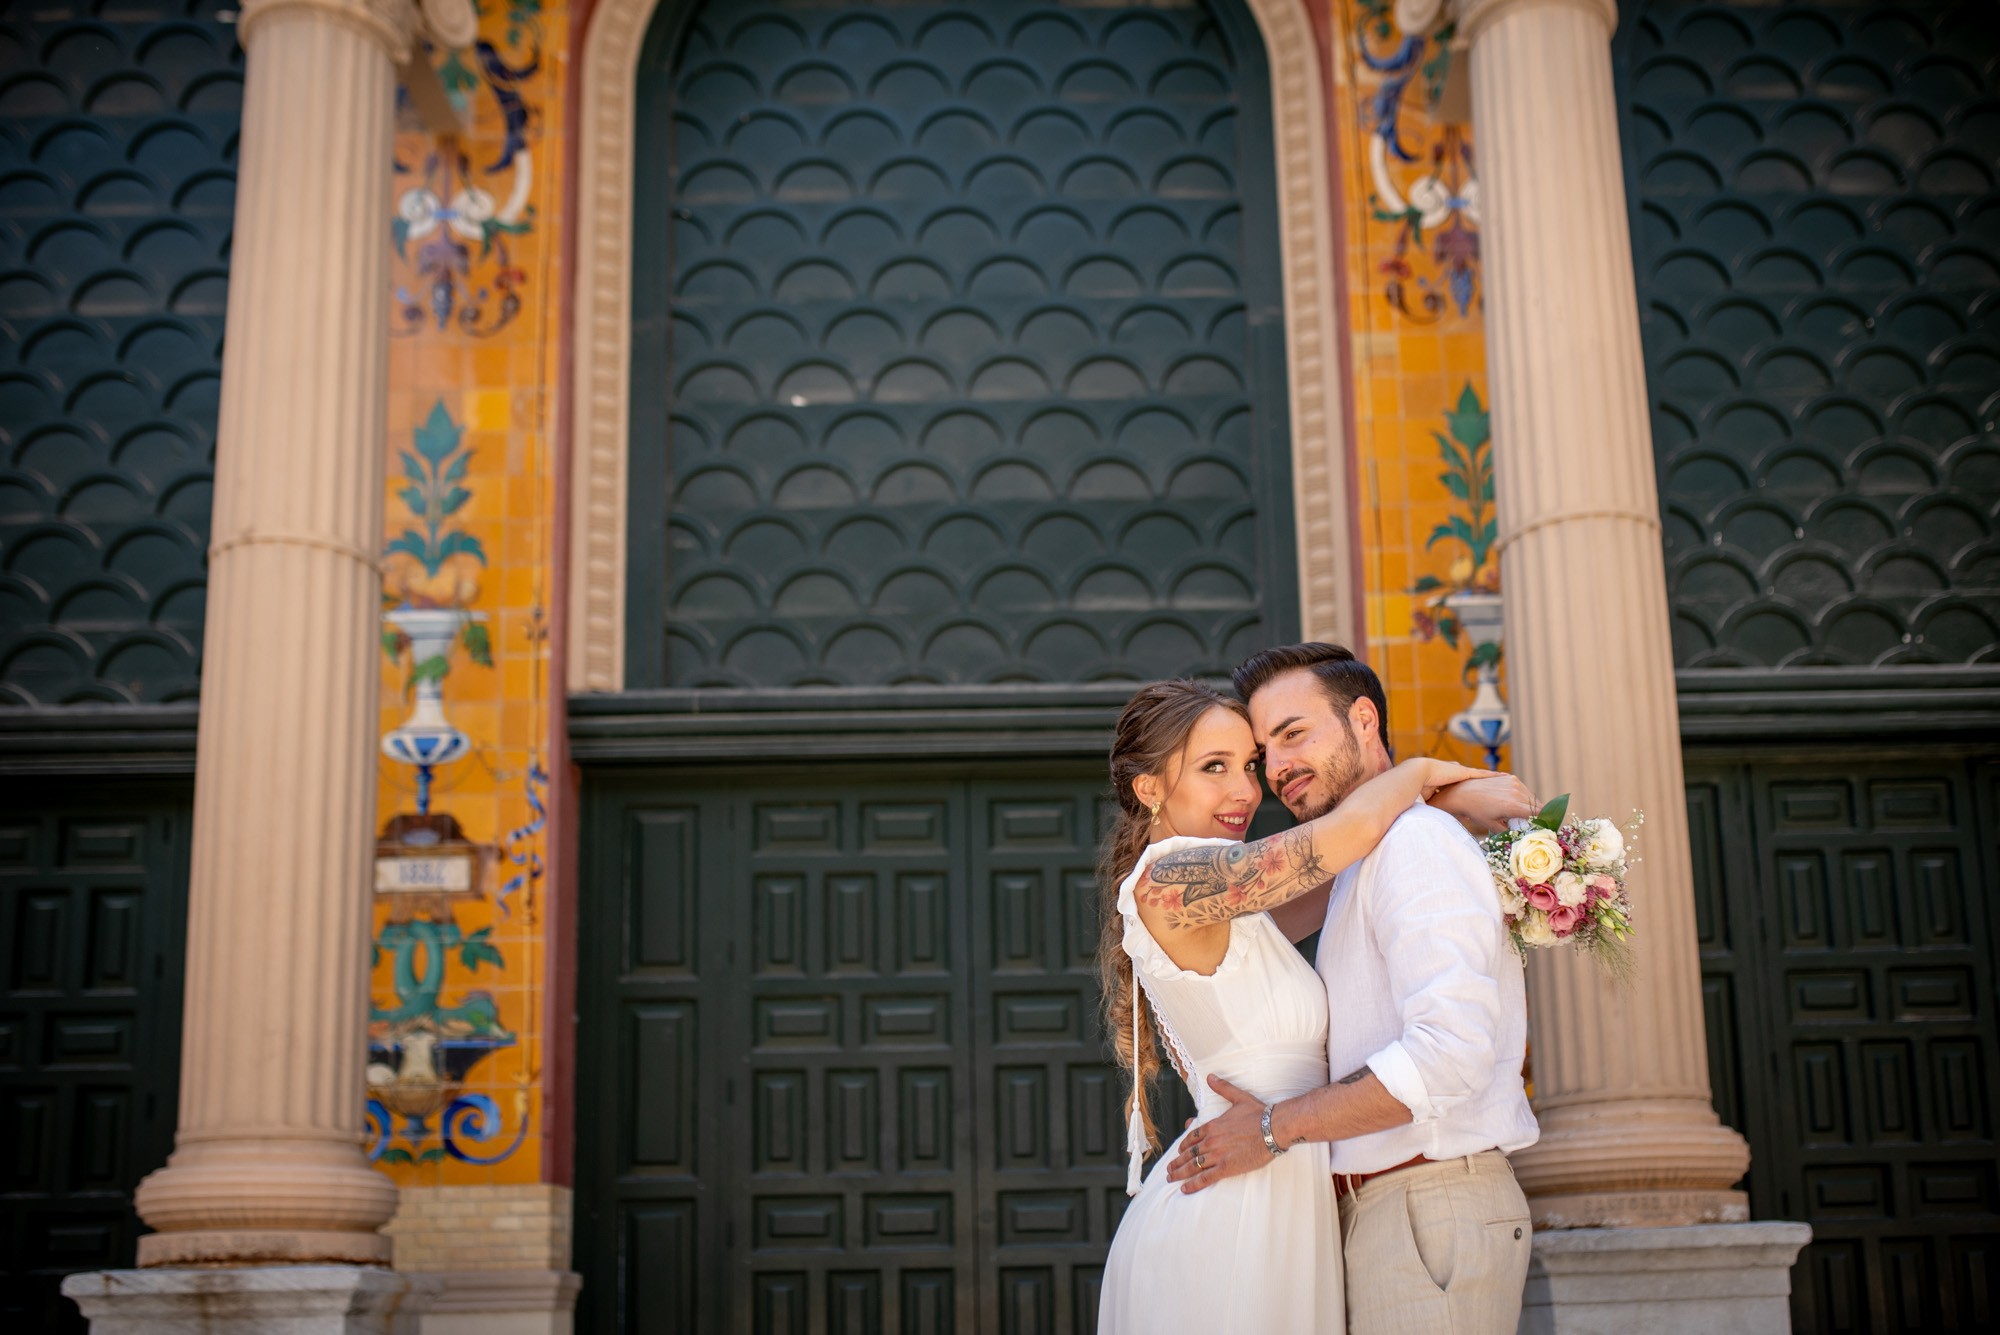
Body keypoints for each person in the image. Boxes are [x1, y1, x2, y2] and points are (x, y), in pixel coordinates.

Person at [1094, 677, 1532, 1335]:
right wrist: (1426, 772)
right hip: (1233, 1211)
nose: (1247, 790)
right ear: (1150, 788)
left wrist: (1441, 803)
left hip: (1289, 1198)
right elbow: (1346, 832)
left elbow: (1351, 857)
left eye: (1249, 765)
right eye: (1215, 767)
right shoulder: (1169, 882)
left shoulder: (1233, 900)